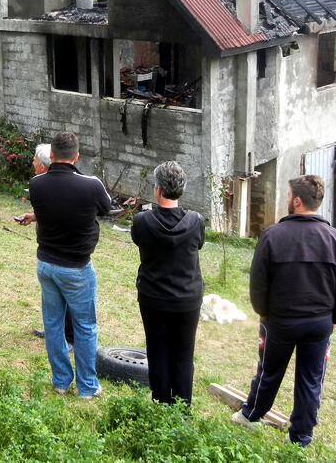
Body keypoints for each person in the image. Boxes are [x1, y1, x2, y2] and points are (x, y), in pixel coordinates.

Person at [232, 175, 336, 447]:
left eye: (288, 196)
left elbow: (258, 284)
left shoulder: (272, 236)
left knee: (269, 371)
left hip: (280, 322)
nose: (287, 200)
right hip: (319, 325)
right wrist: (334, 319)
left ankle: (251, 416)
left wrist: (264, 314)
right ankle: (300, 437)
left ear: (297, 201)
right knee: (311, 380)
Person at [18, 131, 112, 398]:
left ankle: (60, 381)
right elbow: (106, 209)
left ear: (51, 155)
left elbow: (54, 208)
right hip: (77, 268)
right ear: (77, 156)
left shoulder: (36, 184)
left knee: (53, 324)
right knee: (85, 327)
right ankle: (87, 387)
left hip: (46, 265)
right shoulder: (91, 185)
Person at [131, 161, 205, 408]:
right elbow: (199, 244)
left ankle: (161, 406)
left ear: (157, 190)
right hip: (188, 299)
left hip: (154, 298)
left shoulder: (142, 221)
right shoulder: (196, 221)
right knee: (184, 355)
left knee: (158, 352)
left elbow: (138, 241)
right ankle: (182, 411)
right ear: (181, 190)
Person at [26, 144, 74, 348]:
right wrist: (34, 216)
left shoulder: (53, 185)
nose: (33, 163)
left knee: (67, 294)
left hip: (67, 253)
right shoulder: (42, 184)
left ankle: (70, 337)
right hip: (49, 252)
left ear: (44, 166)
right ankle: (54, 330)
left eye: (36, 159)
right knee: (52, 294)